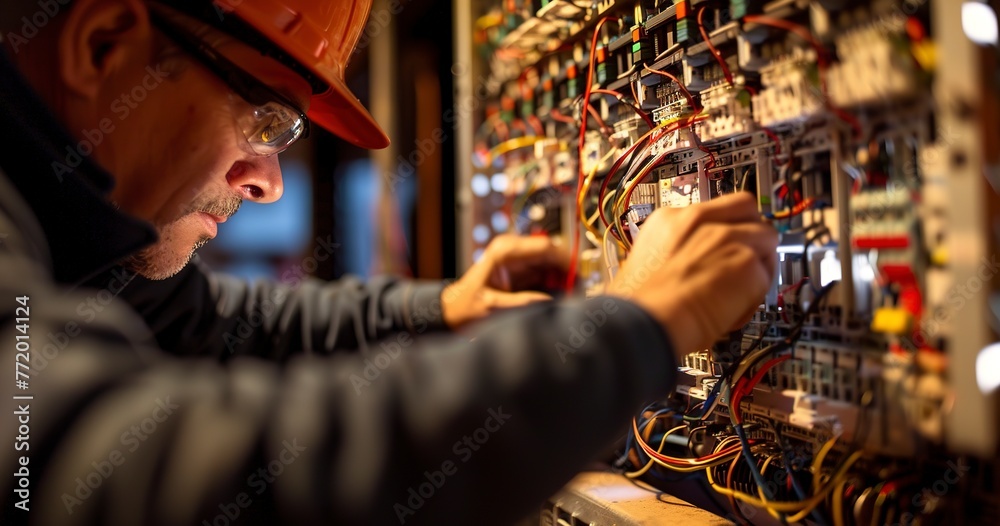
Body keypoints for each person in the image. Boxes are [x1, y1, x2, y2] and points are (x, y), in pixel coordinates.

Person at [0, 0, 778, 524]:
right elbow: (132, 474)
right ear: (101, 44)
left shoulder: (72, 236)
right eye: (265, 119)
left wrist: (441, 308)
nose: (269, 181)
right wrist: (638, 326)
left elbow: (221, 323)